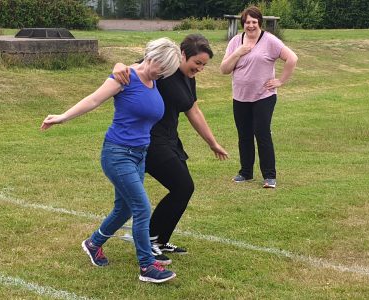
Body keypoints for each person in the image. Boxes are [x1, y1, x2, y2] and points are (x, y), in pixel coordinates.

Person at [40, 38, 181, 283]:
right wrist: (62, 117)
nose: (164, 74)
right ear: (152, 58)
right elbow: (94, 99)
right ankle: (147, 267)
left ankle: (93, 243)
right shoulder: (125, 77)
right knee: (141, 208)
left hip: (139, 154)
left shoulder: (153, 80)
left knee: (124, 208)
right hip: (117, 154)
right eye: (162, 68)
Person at [113, 34, 228, 262]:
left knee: (184, 189)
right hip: (150, 140)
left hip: (169, 139)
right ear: (183, 55)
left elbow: (193, 110)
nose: (200, 69)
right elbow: (136, 66)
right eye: (197, 63)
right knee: (182, 186)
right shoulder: (165, 68)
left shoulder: (188, 78)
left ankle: (159, 240)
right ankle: (148, 239)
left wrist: (212, 143)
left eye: (204, 65)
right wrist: (118, 65)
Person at [220, 6, 298, 188]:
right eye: (247, 22)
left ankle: (269, 176)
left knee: (262, 133)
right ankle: (245, 173)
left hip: (264, 96)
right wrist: (238, 52)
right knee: (244, 135)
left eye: (254, 22)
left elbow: (292, 58)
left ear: (260, 23)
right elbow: (224, 69)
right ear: (243, 24)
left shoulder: (269, 41)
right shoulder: (235, 42)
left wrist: (280, 81)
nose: (251, 25)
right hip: (240, 97)